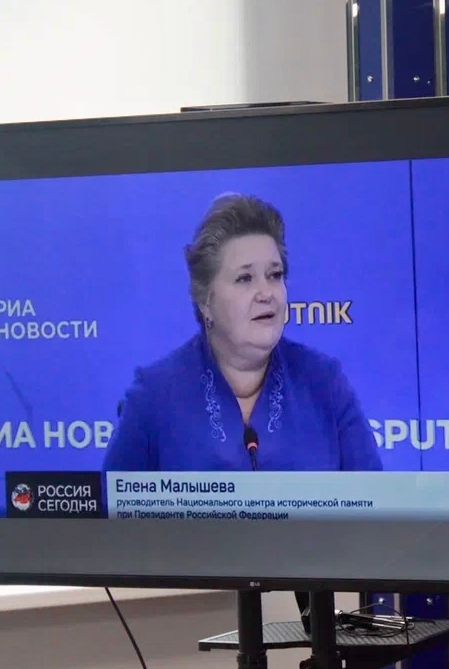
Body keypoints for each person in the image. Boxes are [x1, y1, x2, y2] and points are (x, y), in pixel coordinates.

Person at [102, 193, 384, 473]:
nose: (266, 293)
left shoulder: (325, 384)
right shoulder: (153, 397)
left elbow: (375, 496)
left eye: (275, 275)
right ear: (205, 301)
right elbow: (113, 498)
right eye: (245, 278)